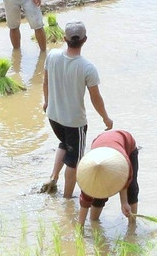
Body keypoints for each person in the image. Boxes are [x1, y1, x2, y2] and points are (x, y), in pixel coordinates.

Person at [40, 21, 111, 196]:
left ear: (64, 39)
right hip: (74, 123)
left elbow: (45, 82)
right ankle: (67, 198)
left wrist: (47, 102)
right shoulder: (87, 68)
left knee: (64, 144)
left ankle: (53, 177)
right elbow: (96, 98)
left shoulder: (52, 55)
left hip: (53, 116)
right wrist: (105, 118)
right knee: (73, 161)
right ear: (85, 40)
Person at [74, 129, 140, 227]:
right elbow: (85, 201)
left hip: (125, 142)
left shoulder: (125, 163)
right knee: (98, 195)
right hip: (100, 143)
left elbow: (125, 181)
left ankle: (132, 225)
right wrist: (80, 228)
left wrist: (124, 203)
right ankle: (94, 221)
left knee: (132, 189)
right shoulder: (88, 176)